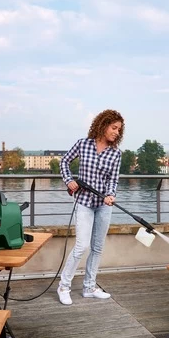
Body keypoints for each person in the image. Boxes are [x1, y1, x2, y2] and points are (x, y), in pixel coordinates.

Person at [57, 109, 124, 305]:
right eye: (114, 128)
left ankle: (89, 287)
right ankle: (64, 286)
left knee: (97, 248)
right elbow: (64, 161)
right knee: (81, 246)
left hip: (103, 205)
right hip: (84, 203)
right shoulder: (83, 144)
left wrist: (110, 195)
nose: (117, 132)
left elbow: (113, 179)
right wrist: (69, 180)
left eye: (119, 130)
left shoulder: (116, 154)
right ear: (103, 125)